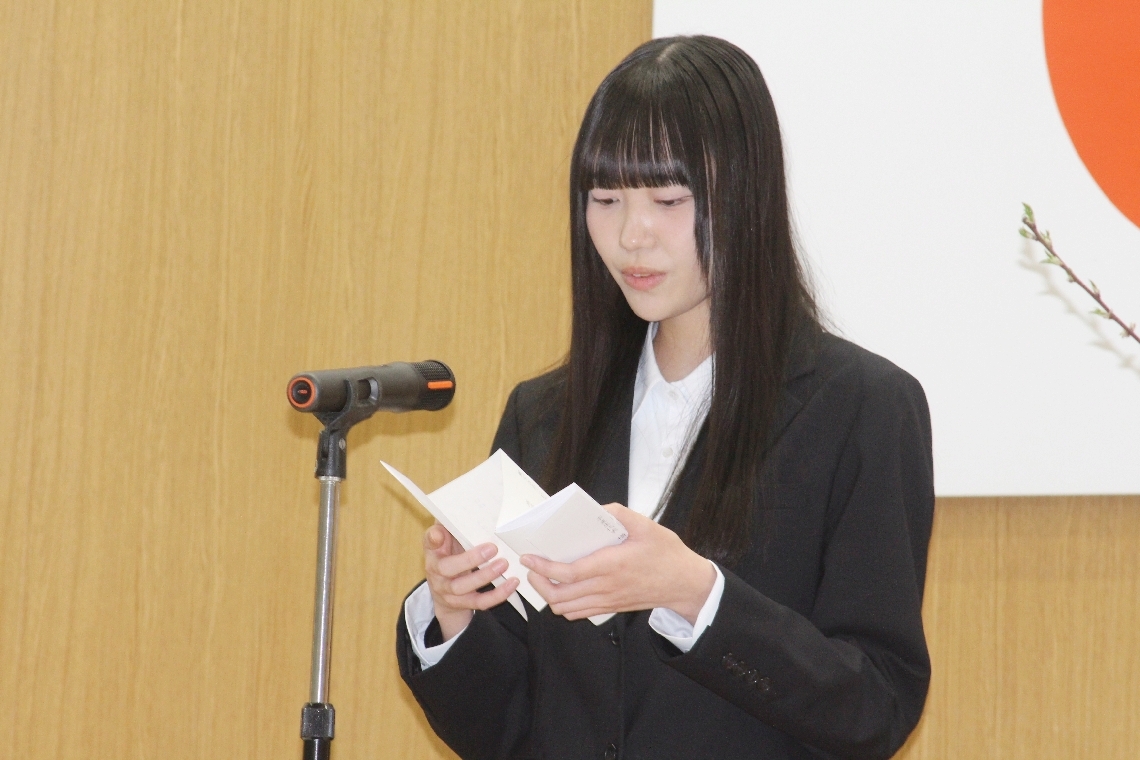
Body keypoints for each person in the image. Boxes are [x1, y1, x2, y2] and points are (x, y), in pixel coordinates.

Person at [396, 35, 934, 760]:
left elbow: (875, 705)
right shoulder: (543, 414)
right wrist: (454, 612)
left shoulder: (862, 409)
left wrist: (696, 594)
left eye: (669, 199)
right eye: (605, 199)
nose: (631, 235)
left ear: (745, 195)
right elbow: (509, 729)